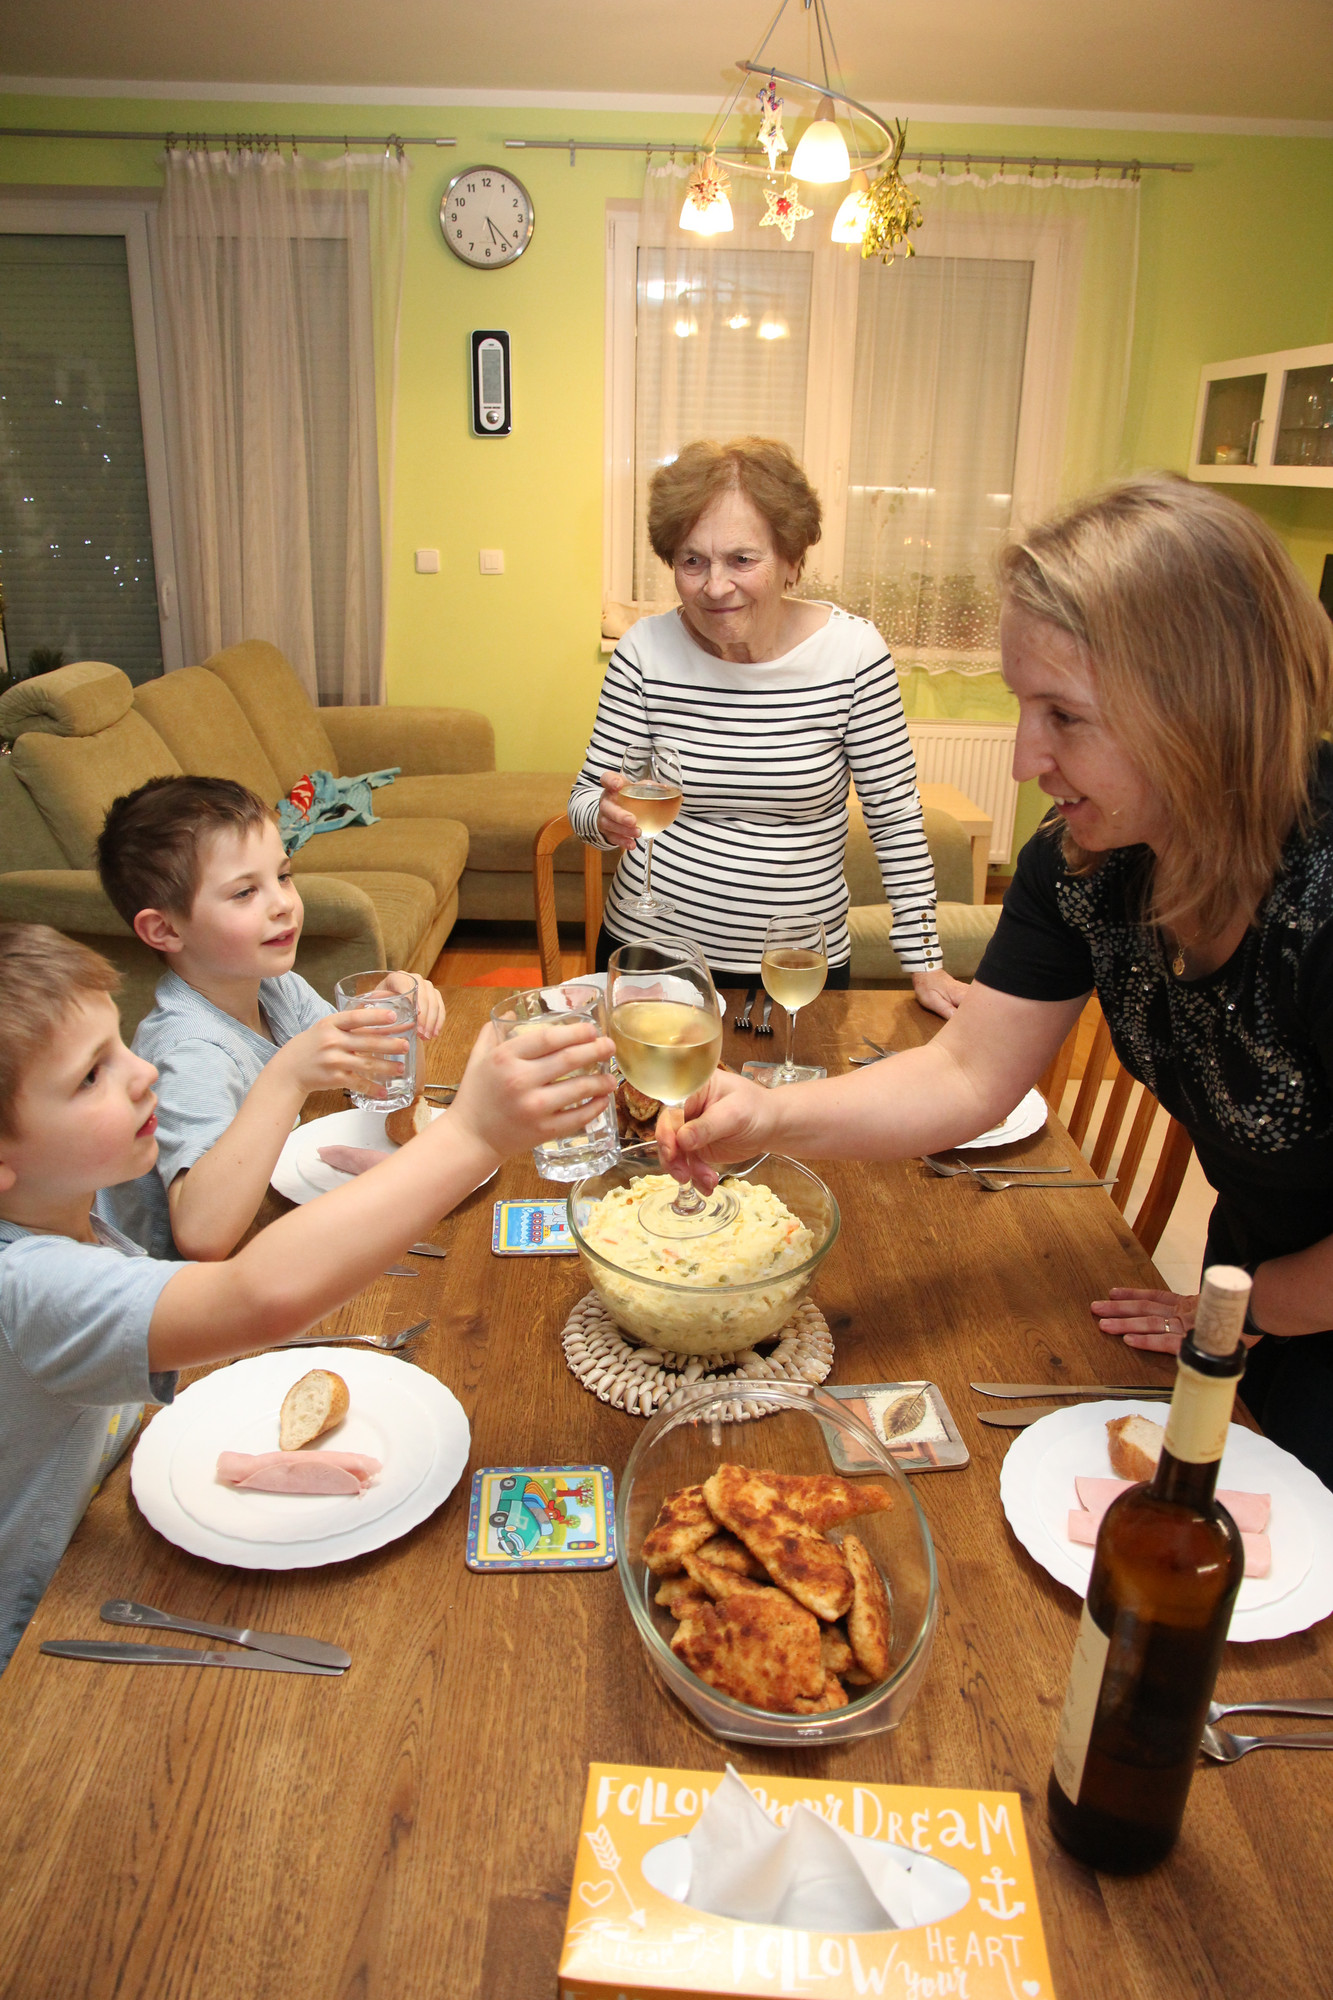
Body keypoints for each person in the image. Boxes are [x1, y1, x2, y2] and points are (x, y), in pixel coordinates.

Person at [659, 474, 1333, 1490]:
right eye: (1025, 707)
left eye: (1064, 715)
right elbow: (965, 1072)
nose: (1025, 759)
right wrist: (769, 1114)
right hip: (1256, 1271)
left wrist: (1245, 1308)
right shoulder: (1088, 861)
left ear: (1203, 708)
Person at [0, 921, 615, 1670]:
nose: (143, 1072)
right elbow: (257, 1295)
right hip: (43, 1634)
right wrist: (472, 1135)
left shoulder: (69, 1207)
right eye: (90, 1077)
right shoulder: (24, 1284)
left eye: (120, 1045)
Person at [568, 436, 967, 1019]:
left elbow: (896, 819)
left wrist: (925, 962)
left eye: (742, 559)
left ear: (792, 560)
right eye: (692, 561)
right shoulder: (643, 651)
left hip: (795, 966)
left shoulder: (853, 654)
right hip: (651, 959)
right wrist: (604, 820)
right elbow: (585, 801)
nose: (715, 586)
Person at [96, 775, 445, 1260]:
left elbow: (382, 1089)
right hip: (176, 1284)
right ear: (165, 930)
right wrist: (287, 1077)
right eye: (244, 892)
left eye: (283, 876)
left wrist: (395, 1022)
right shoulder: (187, 1050)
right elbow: (201, 1237)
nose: (283, 904)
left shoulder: (275, 986)